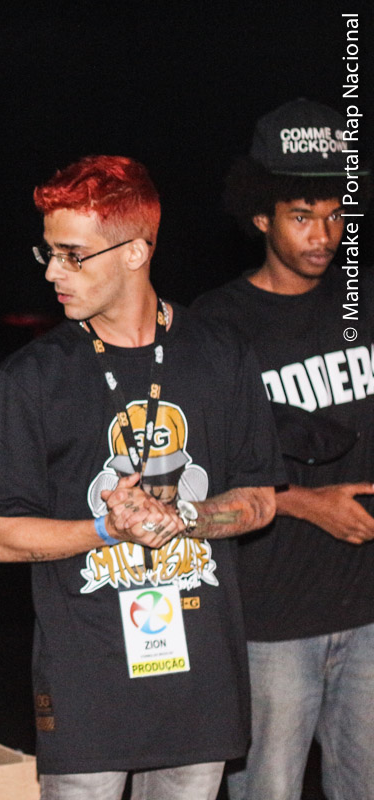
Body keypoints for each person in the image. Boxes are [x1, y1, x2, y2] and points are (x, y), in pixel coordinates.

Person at [0, 155, 285, 799]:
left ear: (136, 251)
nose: (52, 272)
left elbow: (261, 500)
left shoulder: (221, 354)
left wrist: (183, 517)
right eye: (49, 252)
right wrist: (107, 530)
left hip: (198, 688)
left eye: (73, 255)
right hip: (87, 691)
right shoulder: (33, 376)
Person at [192, 99, 374, 800]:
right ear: (261, 215)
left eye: (335, 214)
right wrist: (307, 504)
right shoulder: (217, 326)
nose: (324, 235)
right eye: (302, 215)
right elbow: (196, 478)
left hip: (368, 614)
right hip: (270, 625)